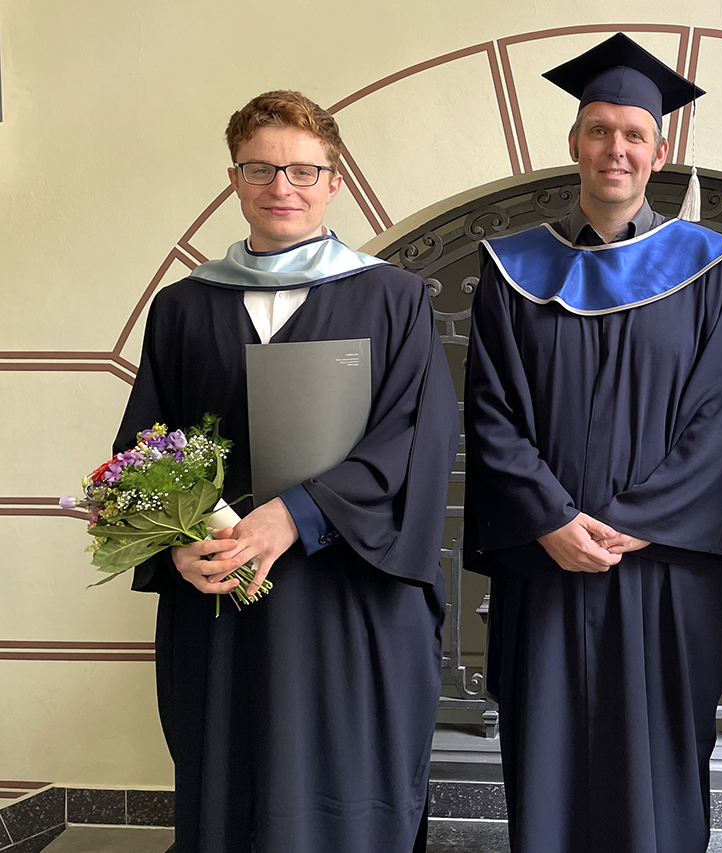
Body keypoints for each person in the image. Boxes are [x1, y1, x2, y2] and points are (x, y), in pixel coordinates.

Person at [115, 90, 457, 853]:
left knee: (343, 791)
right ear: (234, 180)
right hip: (224, 592)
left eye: (304, 170)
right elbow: (144, 447)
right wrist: (175, 541)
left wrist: (296, 514)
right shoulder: (184, 307)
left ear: (336, 181)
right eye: (261, 169)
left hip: (347, 591)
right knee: (228, 789)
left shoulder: (393, 297)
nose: (283, 188)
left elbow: (414, 437)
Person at [463, 33, 722, 853]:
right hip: (547, 556)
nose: (616, 148)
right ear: (573, 143)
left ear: (659, 150)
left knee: (657, 760)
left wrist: (641, 519)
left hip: (663, 565)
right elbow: (490, 410)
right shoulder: (516, 269)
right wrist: (552, 518)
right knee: (549, 757)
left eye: (634, 133)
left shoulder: (706, 270)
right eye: (599, 130)